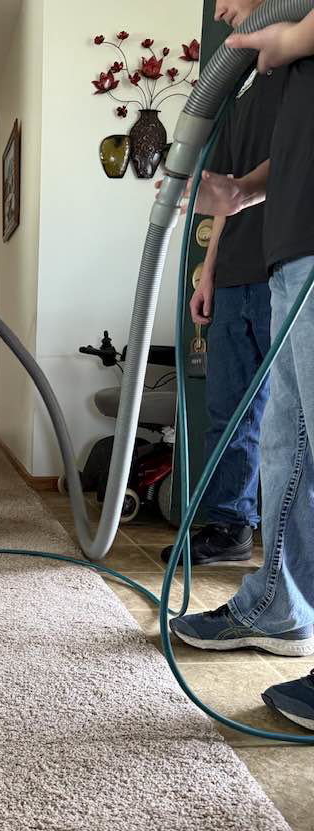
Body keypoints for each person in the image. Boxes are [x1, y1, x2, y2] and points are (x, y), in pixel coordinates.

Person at [170, 2, 314, 732]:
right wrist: (244, 192)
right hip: (290, 242)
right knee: (290, 451)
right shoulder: (274, 75)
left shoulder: (293, 29)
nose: (224, 9)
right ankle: (278, 607)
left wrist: (292, 34)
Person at [162, 57, 286, 566]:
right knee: (228, 412)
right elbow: (226, 196)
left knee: (288, 421)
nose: (218, 9)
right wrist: (207, 269)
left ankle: (284, 547)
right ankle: (230, 524)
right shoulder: (241, 100)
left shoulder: (302, 85)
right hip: (234, 275)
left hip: (288, 267)